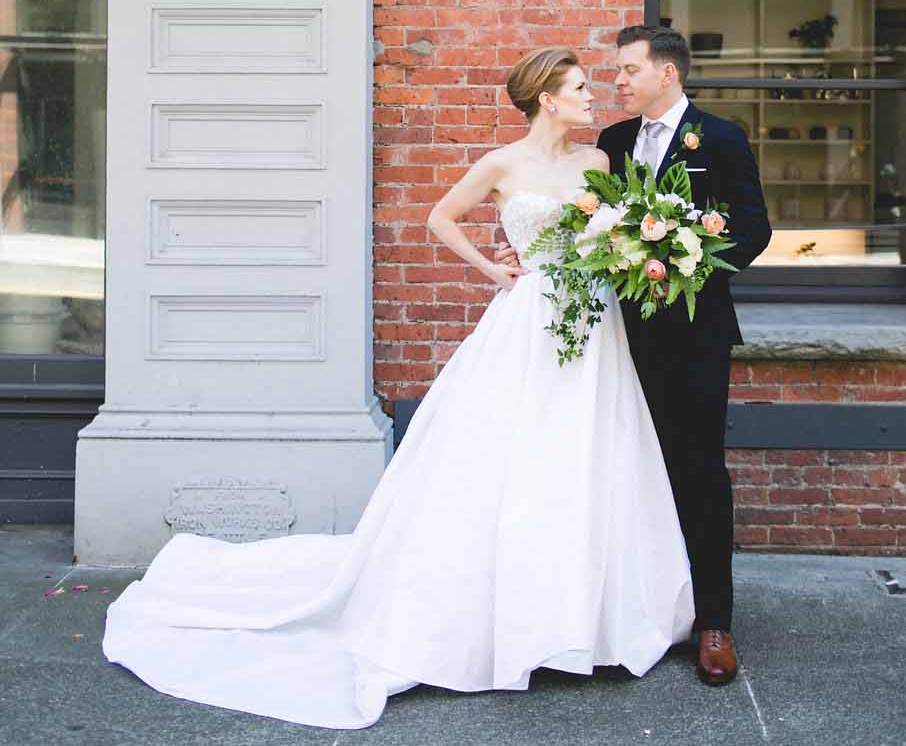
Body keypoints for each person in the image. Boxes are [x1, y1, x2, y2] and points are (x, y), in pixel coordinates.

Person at [101, 47, 696, 731]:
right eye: (581, 88)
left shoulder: (598, 165)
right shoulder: (502, 165)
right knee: (510, 460)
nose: (595, 96)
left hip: (592, 325)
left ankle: (587, 620)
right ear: (547, 99)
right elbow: (441, 218)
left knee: (586, 454)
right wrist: (494, 270)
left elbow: (614, 231)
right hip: (528, 316)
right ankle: (502, 616)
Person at [599, 25, 772, 686]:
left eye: (628, 70)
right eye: (618, 71)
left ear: (666, 73)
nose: (618, 81)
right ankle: (638, 612)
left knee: (699, 470)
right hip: (623, 337)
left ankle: (714, 623)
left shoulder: (720, 137)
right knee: (628, 468)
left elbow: (754, 227)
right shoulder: (612, 143)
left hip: (696, 337)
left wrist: (689, 264)